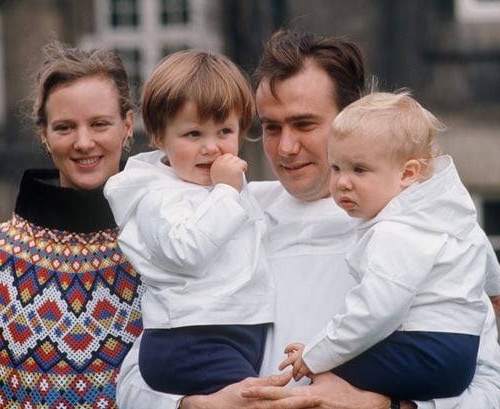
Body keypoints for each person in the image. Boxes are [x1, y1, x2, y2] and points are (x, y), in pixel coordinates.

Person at [116, 30, 500, 409]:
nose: (286, 147)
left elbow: (486, 383)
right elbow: (138, 377)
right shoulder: (220, 216)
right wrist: (196, 405)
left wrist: (384, 406)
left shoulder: (428, 223)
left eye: (304, 124)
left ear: (354, 119)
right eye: (271, 127)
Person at [0, 42, 145, 408]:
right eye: (65, 127)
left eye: (100, 123)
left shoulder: (163, 242)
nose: (84, 142)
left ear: (127, 125)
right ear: (43, 133)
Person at [280, 91, 500, 401]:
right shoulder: (443, 212)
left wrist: (315, 354)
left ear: (407, 174)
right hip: (458, 352)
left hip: (425, 350)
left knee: (322, 377)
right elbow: (479, 244)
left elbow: (374, 311)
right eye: (337, 168)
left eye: (360, 169)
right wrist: (493, 289)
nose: (343, 182)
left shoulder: (396, 232)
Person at [104, 50, 274, 396]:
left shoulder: (225, 190)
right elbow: (187, 250)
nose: (211, 148)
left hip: (235, 332)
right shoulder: (158, 196)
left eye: (225, 131)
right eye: (193, 134)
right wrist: (226, 191)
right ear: (158, 135)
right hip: (190, 339)